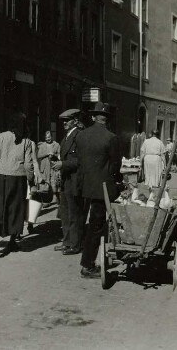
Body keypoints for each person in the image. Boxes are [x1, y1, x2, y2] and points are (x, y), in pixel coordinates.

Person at [76, 102, 122, 278]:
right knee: (96, 227)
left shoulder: (81, 136)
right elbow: (115, 167)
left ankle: (87, 257)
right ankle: (87, 265)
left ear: (94, 117)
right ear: (107, 119)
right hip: (101, 190)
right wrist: (118, 182)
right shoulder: (111, 138)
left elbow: (80, 161)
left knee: (84, 224)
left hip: (82, 186)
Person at [0, 112, 35, 257]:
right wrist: (31, 181)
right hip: (18, 180)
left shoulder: (1, 136)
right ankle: (12, 241)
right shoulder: (27, 141)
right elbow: (29, 165)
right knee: (16, 210)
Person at [51, 109, 86, 255]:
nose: (64, 123)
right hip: (66, 180)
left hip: (75, 180)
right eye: (63, 121)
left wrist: (63, 165)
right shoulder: (66, 137)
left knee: (74, 214)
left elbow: (81, 160)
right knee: (64, 213)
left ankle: (75, 244)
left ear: (75, 121)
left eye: (67, 120)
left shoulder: (79, 135)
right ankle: (66, 242)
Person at [37, 131, 61, 205]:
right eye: (46, 137)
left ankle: (56, 198)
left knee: (54, 183)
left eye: (49, 137)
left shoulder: (56, 145)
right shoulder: (42, 145)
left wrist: (54, 155)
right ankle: (46, 201)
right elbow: (38, 156)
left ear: (52, 137)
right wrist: (47, 153)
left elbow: (60, 155)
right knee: (45, 184)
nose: (48, 139)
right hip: (44, 167)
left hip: (53, 166)